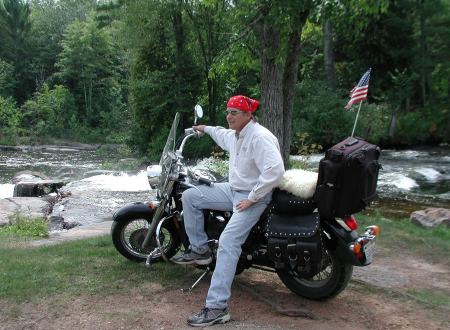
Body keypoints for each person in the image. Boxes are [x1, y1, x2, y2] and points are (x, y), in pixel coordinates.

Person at [172, 95, 285, 327]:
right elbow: (219, 132)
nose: (229, 115)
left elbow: (275, 171)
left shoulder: (260, 137)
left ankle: (217, 307)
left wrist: (252, 199)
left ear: (248, 115)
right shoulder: (236, 134)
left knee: (228, 242)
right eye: (228, 111)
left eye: (234, 112)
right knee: (190, 195)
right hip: (233, 190)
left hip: (254, 197)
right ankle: (200, 250)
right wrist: (202, 128)